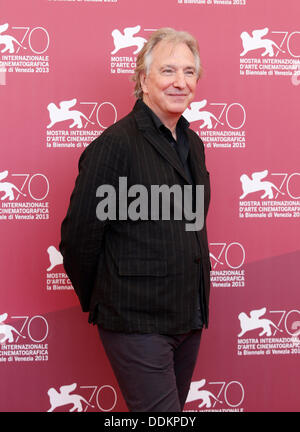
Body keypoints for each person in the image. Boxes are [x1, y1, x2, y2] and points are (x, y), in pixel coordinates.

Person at [59, 27, 211, 412]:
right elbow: (78, 238)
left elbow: (191, 224)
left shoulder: (192, 143)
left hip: (187, 317)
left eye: (189, 72)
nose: (181, 82)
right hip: (136, 321)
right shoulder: (115, 144)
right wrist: (112, 299)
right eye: (168, 71)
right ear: (143, 79)